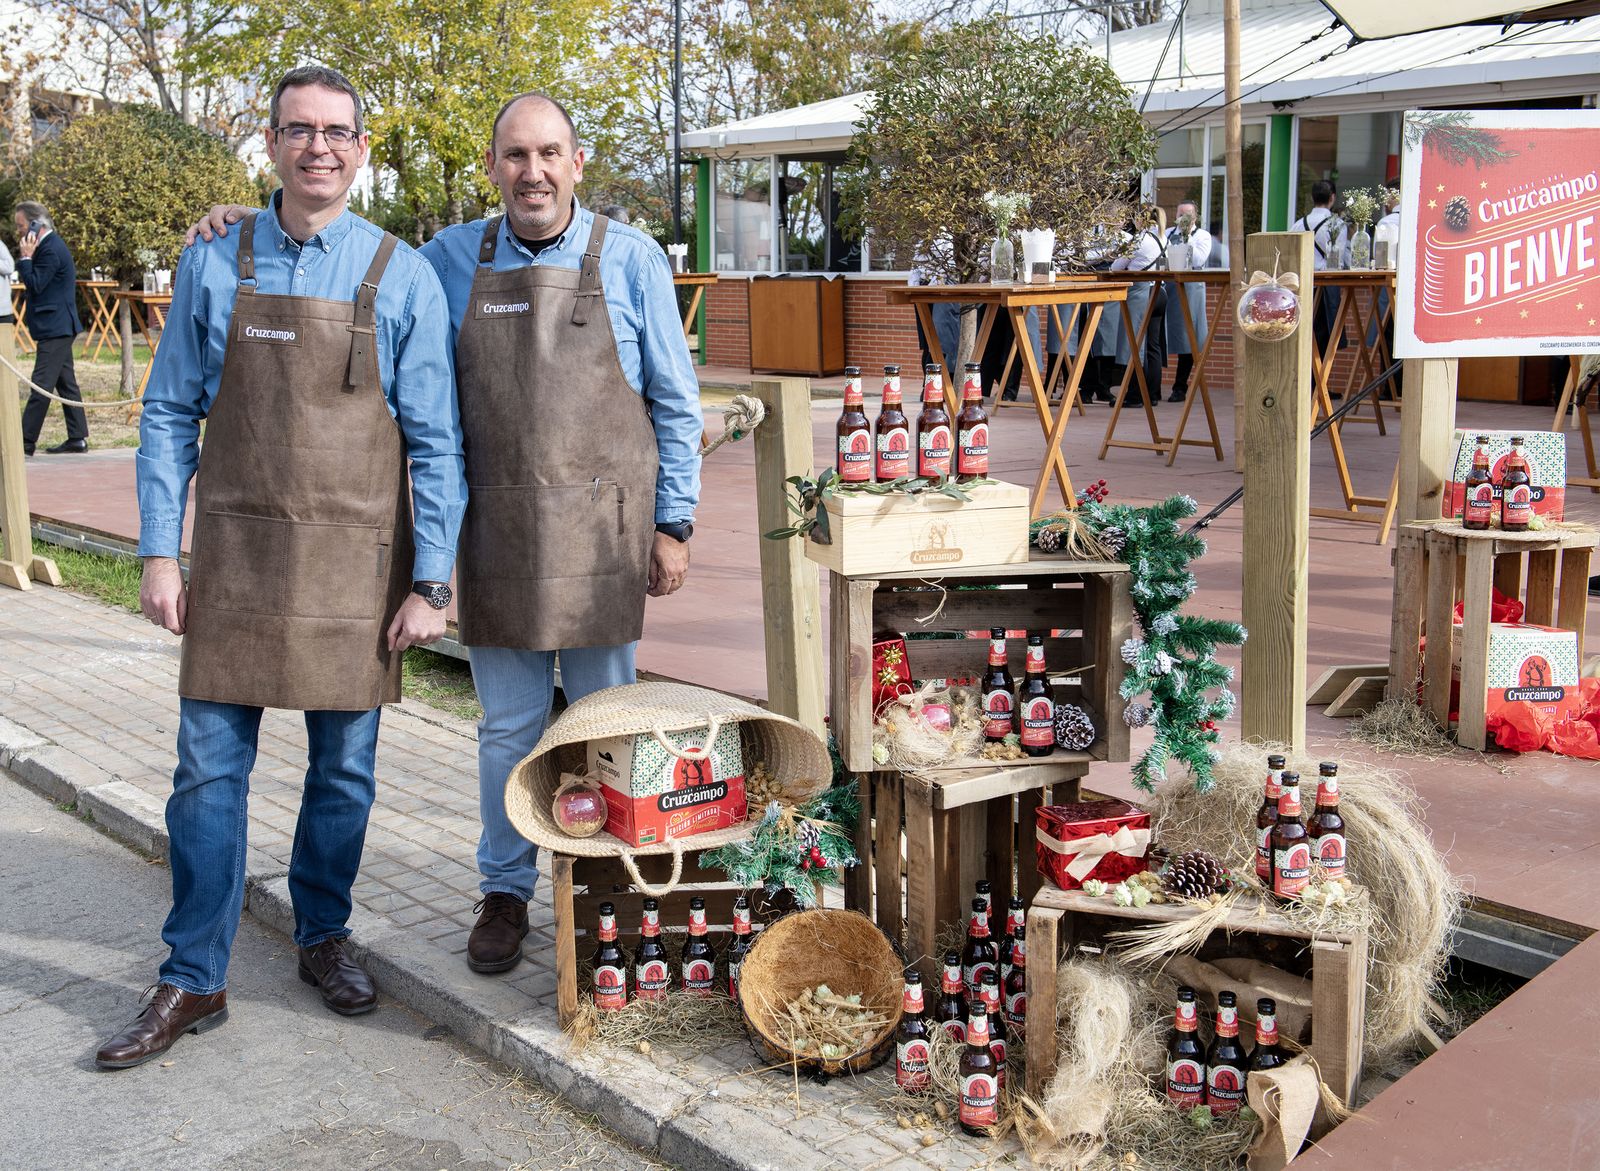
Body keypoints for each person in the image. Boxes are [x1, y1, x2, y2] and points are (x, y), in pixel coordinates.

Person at [189, 92, 701, 977]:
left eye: (548, 154)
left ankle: (609, 887)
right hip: (495, 529)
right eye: (514, 156)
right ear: (494, 167)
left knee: (605, 723)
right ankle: (504, 889)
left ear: (577, 162)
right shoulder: (447, 259)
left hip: (602, 536)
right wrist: (245, 220)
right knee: (506, 727)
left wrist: (675, 523)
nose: (531, 172)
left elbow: (676, 403)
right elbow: (346, 247)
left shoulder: (635, 259)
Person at [97, 66, 466, 1072]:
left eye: (336, 132)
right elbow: (170, 414)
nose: (317, 148)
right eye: (298, 130)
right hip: (236, 564)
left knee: (343, 772)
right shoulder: (218, 258)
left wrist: (431, 582)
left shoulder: (404, 275)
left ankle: (322, 934)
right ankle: (193, 973)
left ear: (361, 148)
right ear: (270, 142)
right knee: (207, 773)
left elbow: (436, 443)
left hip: (360, 573)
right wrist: (160, 553)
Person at [13, 201, 88, 455]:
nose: (19, 232)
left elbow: (36, 284)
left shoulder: (50, 250)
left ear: (36, 225)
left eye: (21, 226)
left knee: (40, 385)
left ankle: (25, 441)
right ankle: (77, 438)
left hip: (56, 327)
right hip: (57, 325)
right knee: (66, 384)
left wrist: (25, 258)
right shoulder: (47, 247)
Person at [1109, 205, 1167, 407]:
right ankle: (1152, 393)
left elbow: (1116, 267)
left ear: (1141, 220)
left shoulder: (1139, 239)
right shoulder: (1163, 238)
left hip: (1141, 292)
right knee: (1153, 345)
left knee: (1134, 344)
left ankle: (1135, 394)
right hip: (1160, 292)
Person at [1162, 201, 1212, 403]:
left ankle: (1180, 386)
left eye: (1187, 215)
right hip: (1170, 286)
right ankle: (1152, 386)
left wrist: (1186, 237)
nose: (1183, 218)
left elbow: (1198, 260)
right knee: (1162, 333)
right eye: (1180, 214)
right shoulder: (1166, 233)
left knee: (1188, 336)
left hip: (1192, 289)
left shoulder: (1202, 236)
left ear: (1195, 217)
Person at [1293, 180, 1348, 361]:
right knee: (1325, 337)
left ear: (1312, 197)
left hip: (1302, 287)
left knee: (1304, 338)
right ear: (1332, 198)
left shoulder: (1298, 225)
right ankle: (1320, 387)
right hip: (1326, 287)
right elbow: (1337, 260)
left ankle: (1311, 386)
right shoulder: (1337, 224)